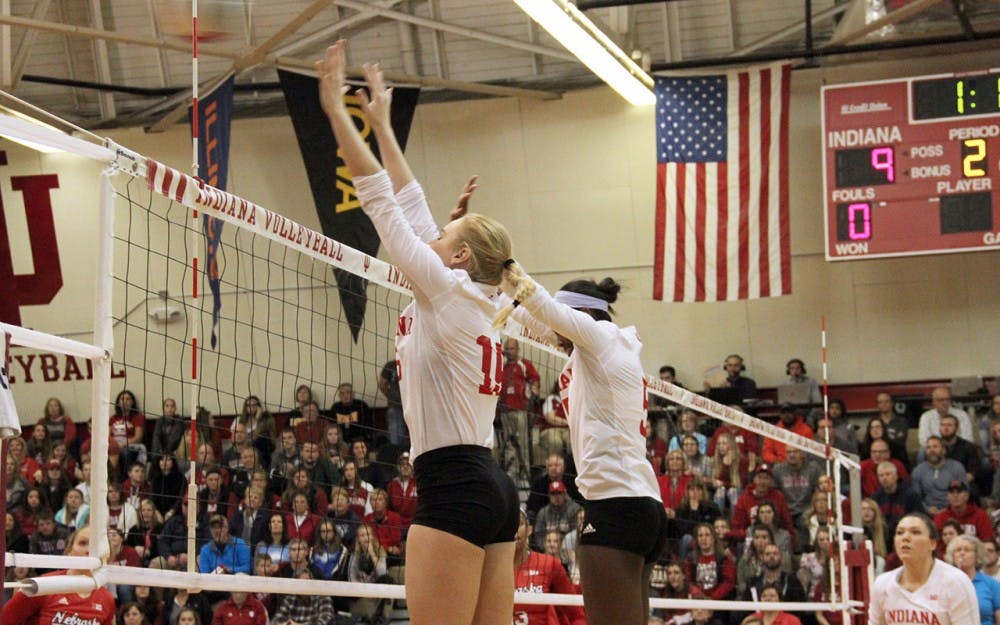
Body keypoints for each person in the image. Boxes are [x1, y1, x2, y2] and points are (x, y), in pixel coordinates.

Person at [319, 42, 518, 625]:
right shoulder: (473, 293)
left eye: (446, 230)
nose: (431, 229)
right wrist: (381, 123)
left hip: (454, 488)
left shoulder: (444, 286)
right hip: (491, 486)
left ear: (457, 257)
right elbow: (413, 203)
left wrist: (337, 113)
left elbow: (384, 201)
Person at [494, 268, 667, 625]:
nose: (557, 338)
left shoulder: (600, 338)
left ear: (582, 316)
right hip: (641, 504)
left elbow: (542, 306)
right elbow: (535, 317)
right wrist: (488, 282)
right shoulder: (607, 348)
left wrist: (505, 265)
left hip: (616, 505)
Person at [869, 513, 978, 625]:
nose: (905, 537)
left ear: (932, 543)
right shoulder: (882, 584)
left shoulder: (956, 582)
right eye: (900, 533)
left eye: (915, 532)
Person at [2, 526, 116, 624]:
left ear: (107, 556)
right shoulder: (43, 586)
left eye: (96, 546)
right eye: (83, 543)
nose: (89, 550)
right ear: (69, 552)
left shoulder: (107, 600)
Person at [513, 509, 587, 625]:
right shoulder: (489, 568)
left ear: (529, 530)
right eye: (507, 525)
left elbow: (577, 615)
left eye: (518, 523)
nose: (514, 530)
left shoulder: (548, 564)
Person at [497, 338, 540, 479]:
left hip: (520, 410)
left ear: (517, 349)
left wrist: (533, 390)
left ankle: (526, 473)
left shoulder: (524, 365)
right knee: (508, 444)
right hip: (505, 412)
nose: (509, 351)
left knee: (522, 443)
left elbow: (535, 379)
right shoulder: (501, 367)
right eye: (507, 349)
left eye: (512, 348)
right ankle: (511, 474)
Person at [945, 534, 1000, 625]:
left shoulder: (992, 584)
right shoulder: (945, 583)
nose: (962, 553)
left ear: (977, 556)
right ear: (952, 556)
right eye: (958, 550)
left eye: (967, 550)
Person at [911, 437, 968, 515]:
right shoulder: (918, 471)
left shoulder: (957, 467)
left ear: (944, 450)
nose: (931, 450)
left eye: (935, 447)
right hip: (927, 513)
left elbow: (964, 493)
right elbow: (915, 498)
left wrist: (948, 510)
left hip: (953, 511)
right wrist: (927, 509)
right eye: (928, 448)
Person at [379, 359, 407, 446]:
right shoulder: (391, 365)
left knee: (398, 437)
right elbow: (382, 384)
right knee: (395, 438)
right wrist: (391, 397)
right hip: (396, 406)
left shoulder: (412, 361)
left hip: (412, 406)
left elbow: (382, 384)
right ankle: (397, 455)